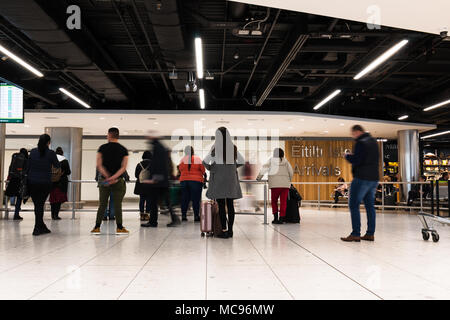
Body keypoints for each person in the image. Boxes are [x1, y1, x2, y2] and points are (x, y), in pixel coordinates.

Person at [203, 127, 244, 238]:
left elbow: (205, 162)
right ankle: (230, 230)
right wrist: (233, 167)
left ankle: (223, 230)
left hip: (219, 180)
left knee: (221, 205)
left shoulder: (215, 148)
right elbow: (242, 161)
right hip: (231, 180)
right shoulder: (233, 148)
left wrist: (212, 168)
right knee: (230, 205)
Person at [341, 125, 379, 242]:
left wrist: (347, 156)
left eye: (353, 134)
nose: (353, 136)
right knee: (369, 206)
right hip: (373, 178)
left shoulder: (360, 142)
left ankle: (356, 233)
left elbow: (357, 160)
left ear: (357, 132)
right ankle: (370, 233)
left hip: (361, 177)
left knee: (353, 205)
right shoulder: (373, 142)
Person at [91, 127, 129, 235]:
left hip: (105, 181)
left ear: (109, 135)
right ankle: (120, 227)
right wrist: (114, 178)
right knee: (118, 205)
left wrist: (107, 177)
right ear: (118, 136)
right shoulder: (123, 149)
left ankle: (97, 227)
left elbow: (99, 165)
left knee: (102, 204)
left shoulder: (102, 148)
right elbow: (123, 167)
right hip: (118, 181)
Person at [141, 132, 180, 228]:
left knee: (154, 201)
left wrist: (154, 179)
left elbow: (158, 165)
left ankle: (153, 222)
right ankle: (174, 219)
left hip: (158, 182)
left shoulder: (157, 148)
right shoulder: (160, 147)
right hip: (162, 181)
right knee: (166, 201)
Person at [27, 134, 60, 236]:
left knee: (38, 205)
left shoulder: (33, 152)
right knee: (40, 205)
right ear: (48, 142)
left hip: (32, 182)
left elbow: (28, 165)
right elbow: (57, 165)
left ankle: (41, 226)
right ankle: (37, 228)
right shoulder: (50, 153)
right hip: (45, 183)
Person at [257, 148, 293, 224]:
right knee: (283, 202)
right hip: (285, 185)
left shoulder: (271, 160)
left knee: (274, 201)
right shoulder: (286, 161)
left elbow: (264, 169)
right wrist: (289, 180)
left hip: (275, 185)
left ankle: (275, 218)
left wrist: (259, 177)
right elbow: (291, 172)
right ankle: (281, 218)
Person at [178, 146, 205, 222]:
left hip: (184, 181)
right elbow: (203, 170)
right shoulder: (197, 159)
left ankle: (184, 216)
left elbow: (180, 169)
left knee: (184, 199)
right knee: (195, 199)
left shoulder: (182, 160)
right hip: (196, 181)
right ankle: (196, 216)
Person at [5, 148, 29, 220]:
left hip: (13, 179)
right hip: (21, 181)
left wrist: (9, 177)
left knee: (12, 195)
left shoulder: (15, 157)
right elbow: (26, 171)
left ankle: (9, 209)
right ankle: (16, 214)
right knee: (19, 198)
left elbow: (10, 168)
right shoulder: (26, 160)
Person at [49, 147, 71, 220]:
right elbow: (68, 172)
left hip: (52, 182)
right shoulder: (64, 161)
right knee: (58, 200)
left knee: (53, 199)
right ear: (62, 153)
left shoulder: (52, 160)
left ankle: (52, 215)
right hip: (61, 183)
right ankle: (56, 215)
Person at [134, 151, 152, 221]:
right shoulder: (152, 164)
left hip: (140, 185)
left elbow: (136, 175)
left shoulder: (139, 164)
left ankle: (142, 215)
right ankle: (147, 215)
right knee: (148, 200)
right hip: (149, 185)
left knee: (141, 200)